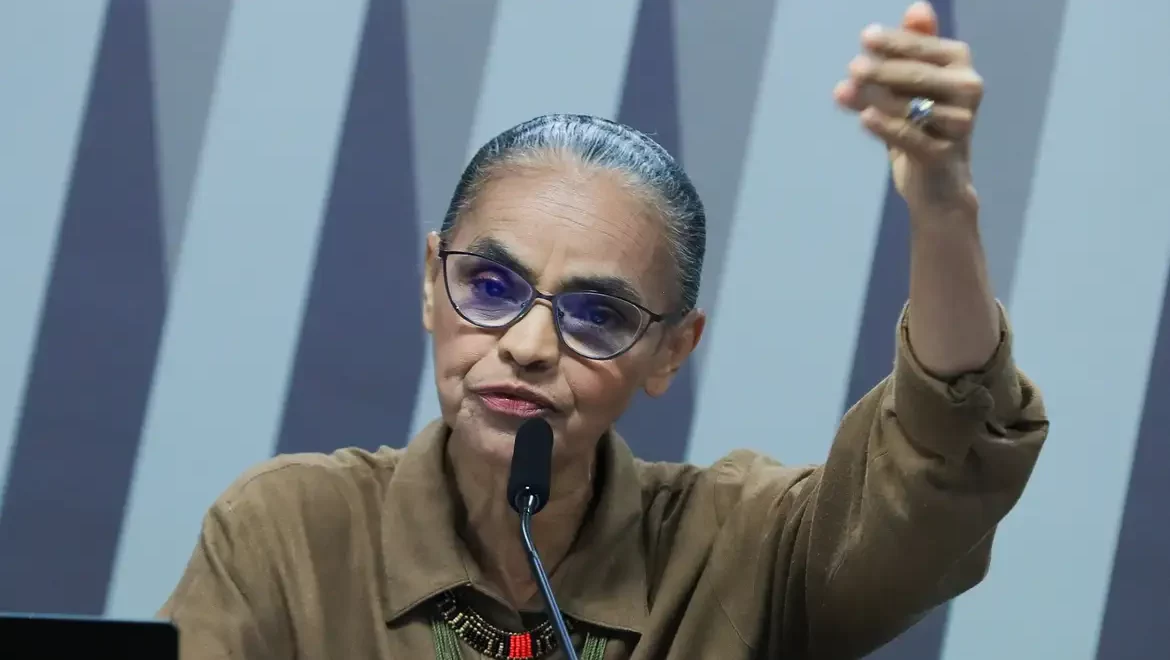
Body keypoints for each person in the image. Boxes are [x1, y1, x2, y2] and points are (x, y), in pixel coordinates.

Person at [159, 3, 1048, 658]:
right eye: (490, 286)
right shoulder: (290, 534)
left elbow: (934, 468)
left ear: (672, 351)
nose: (528, 346)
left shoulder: (739, 551)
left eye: (597, 314)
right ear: (433, 284)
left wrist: (943, 209)